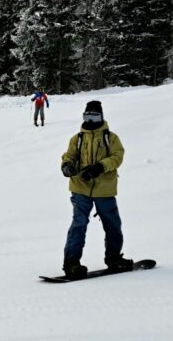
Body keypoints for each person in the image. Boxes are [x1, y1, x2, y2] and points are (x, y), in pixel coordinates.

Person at [59, 101, 132, 279]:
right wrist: (66, 165)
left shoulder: (111, 138)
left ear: (101, 117)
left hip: (104, 190)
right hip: (80, 188)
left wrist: (100, 167)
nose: (91, 121)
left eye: (94, 117)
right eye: (87, 116)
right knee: (78, 225)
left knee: (113, 225)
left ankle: (114, 258)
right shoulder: (77, 139)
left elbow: (117, 157)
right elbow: (69, 156)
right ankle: (72, 264)